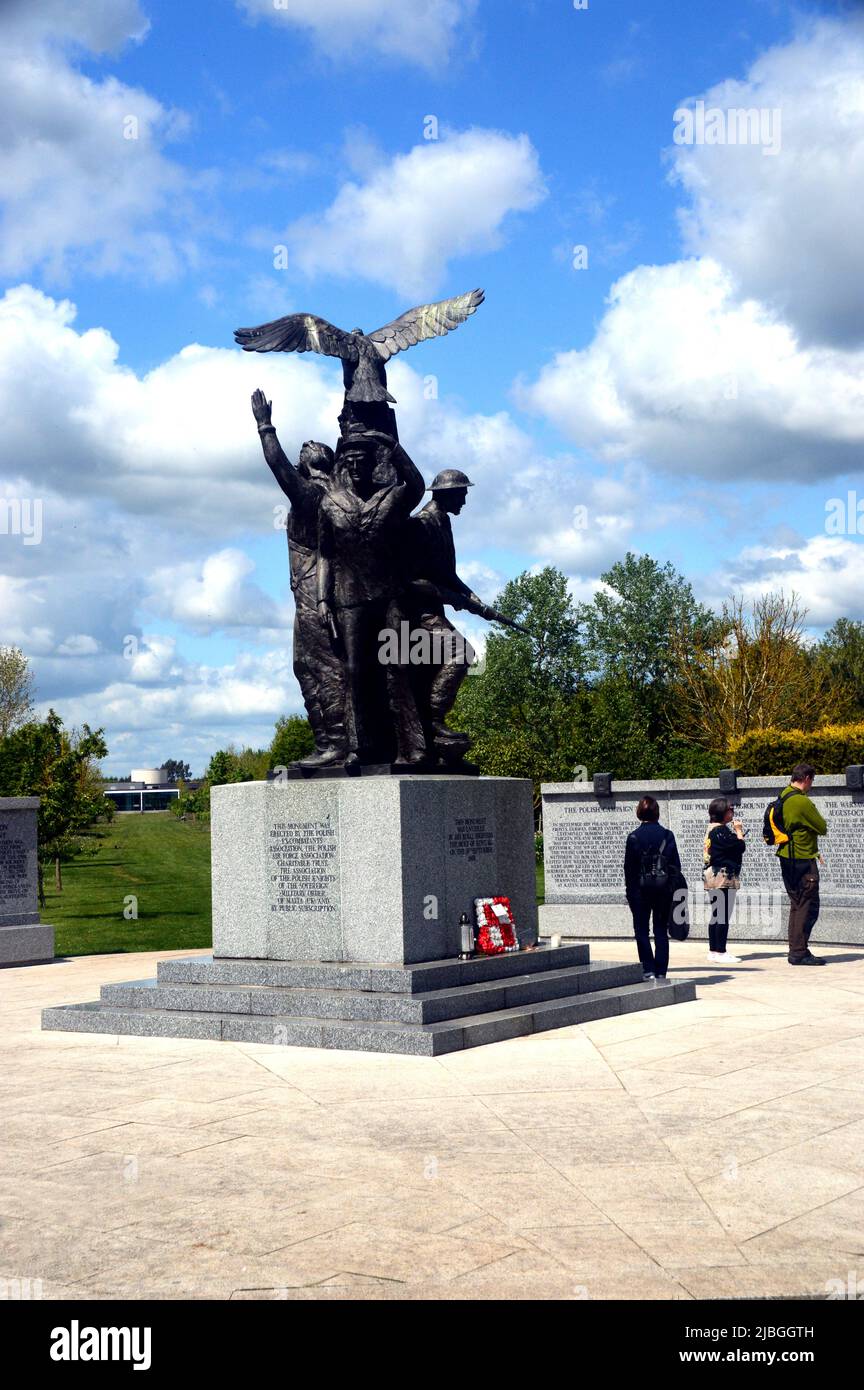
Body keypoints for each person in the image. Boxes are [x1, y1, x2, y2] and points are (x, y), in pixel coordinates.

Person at [250, 390, 346, 769]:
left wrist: (265, 426)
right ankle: (330, 743)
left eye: (308, 448)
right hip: (316, 593)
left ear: (313, 464)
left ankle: (334, 745)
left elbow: (279, 468)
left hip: (313, 594)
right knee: (308, 666)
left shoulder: (312, 495)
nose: (303, 445)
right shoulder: (338, 491)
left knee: (317, 667)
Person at [624, 795, 681, 981]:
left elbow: (629, 870)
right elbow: (675, 867)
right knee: (660, 931)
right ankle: (661, 971)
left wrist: (631, 894)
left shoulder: (633, 837)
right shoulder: (667, 835)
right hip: (663, 891)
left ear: (639, 813)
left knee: (641, 930)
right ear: (657, 812)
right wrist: (670, 889)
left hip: (640, 892)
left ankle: (648, 969)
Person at [777, 762, 828, 966]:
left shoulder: (783, 795)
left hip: (786, 857)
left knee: (797, 904)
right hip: (802, 858)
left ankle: (796, 950)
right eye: (812, 781)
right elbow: (822, 827)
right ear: (806, 778)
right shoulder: (801, 802)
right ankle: (799, 952)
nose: (811, 785)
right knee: (807, 905)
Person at [703, 797, 746, 965]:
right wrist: (738, 831)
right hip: (723, 877)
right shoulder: (720, 831)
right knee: (722, 915)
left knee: (716, 914)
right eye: (730, 810)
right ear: (723, 812)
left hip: (713, 876)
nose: (732, 812)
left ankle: (714, 951)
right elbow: (740, 847)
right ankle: (721, 951)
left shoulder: (712, 829)